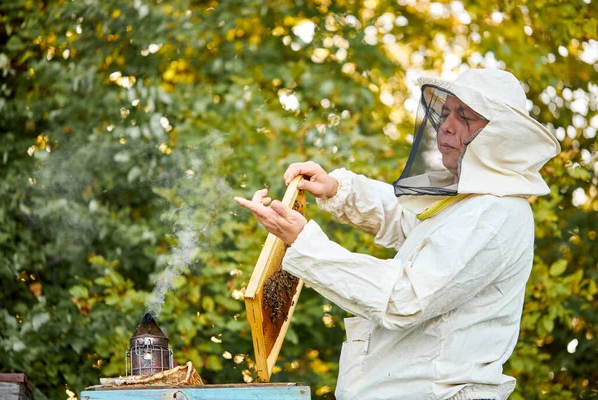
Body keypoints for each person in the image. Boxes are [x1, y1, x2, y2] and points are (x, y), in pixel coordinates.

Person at [234, 68, 560, 400]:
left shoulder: (495, 213)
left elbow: (405, 298)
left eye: (464, 117)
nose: (445, 125)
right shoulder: (466, 203)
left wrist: (304, 243)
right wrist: (335, 189)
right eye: (444, 112)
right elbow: (407, 221)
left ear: (500, 135)